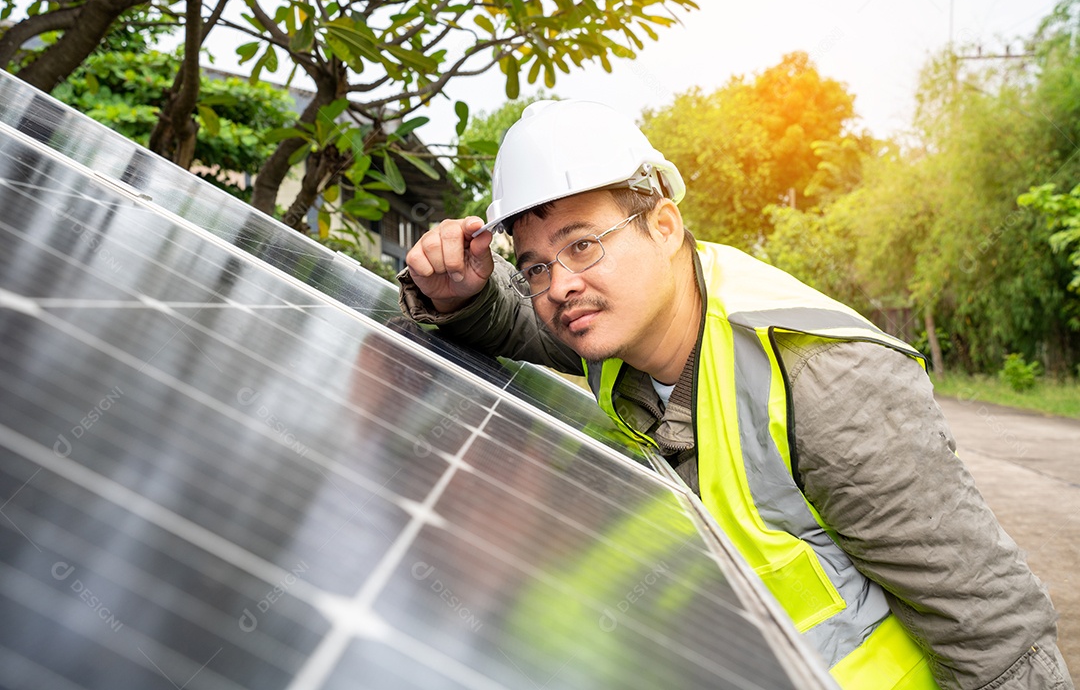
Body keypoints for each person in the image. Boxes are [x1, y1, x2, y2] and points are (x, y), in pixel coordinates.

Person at [398, 99, 1073, 690]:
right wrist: (463, 294)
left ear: (664, 226)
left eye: (582, 245)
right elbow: (521, 321)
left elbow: (994, 638)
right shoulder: (614, 325)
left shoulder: (826, 381)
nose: (559, 285)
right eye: (538, 265)